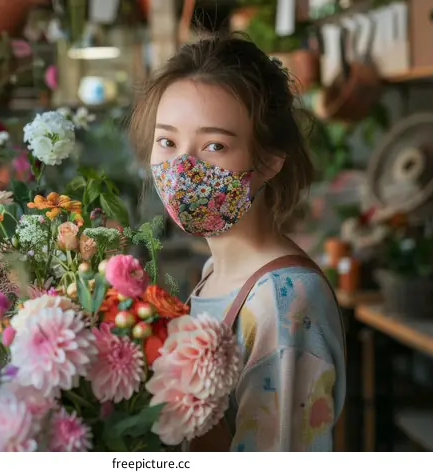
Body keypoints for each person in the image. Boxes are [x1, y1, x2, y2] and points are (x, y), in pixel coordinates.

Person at [129, 33, 346, 452]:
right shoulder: (215, 273)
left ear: (268, 161)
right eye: (167, 142)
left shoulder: (285, 302)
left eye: (215, 146)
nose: (182, 168)